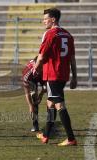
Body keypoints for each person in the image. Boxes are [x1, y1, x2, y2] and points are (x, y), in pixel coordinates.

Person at [33, 8, 77, 146]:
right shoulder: (68, 35)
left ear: (53, 19)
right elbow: (72, 58)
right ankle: (46, 135)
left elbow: (41, 56)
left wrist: (36, 68)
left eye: (45, 19)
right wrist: (74, 76)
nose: (43, 21)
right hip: (63, 74)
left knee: (59, 104)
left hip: (52, 74)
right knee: (50, 103)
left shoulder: (50, 34)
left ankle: (71, 138)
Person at [22, 56, 46, 132]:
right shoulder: (27, 74)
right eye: (38, 67)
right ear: (34, 64)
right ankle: (35, 124)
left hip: (39, 77)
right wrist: (30, 105)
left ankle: (50, 123)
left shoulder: (45, 68)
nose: (40, 69)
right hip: (32, 80)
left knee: (51, 98)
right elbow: (27, 93)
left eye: (41, 66)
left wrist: (41, 95)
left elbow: (45, 86)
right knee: (34, 99)